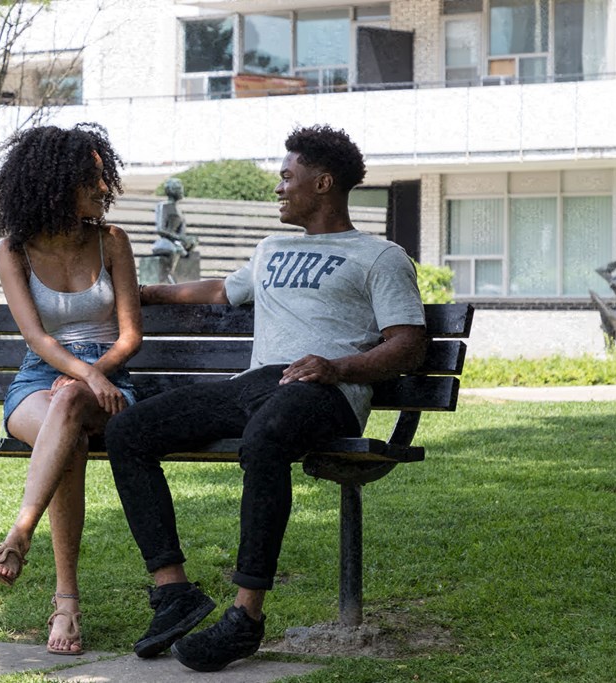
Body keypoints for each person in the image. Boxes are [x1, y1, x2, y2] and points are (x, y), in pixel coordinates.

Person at [105, 124, 427, 672]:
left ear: (322, 183)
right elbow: (218, 291)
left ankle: (244, 617)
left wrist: (337, 367)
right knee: (127, 431)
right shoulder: (271, 247)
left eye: (287, 177)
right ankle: (174, 591)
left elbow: (409, 343)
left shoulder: (379, 256)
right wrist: (148, 293)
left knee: (265, 440)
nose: (278, 188)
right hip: (258, 383)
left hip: (327, 390)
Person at [0, 123, 141, 657]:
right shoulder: (15, 249)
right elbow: (36, 337)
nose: (103, 189)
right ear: (55, 185)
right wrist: (79, 375)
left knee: (70, 402)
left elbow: (130, 335)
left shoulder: (112, 241)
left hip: (109, 384)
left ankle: (20, 535)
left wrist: (95, 374)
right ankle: (65, 602)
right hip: (37, 379)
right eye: (90, 181)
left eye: (102, 179)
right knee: (64, 421)